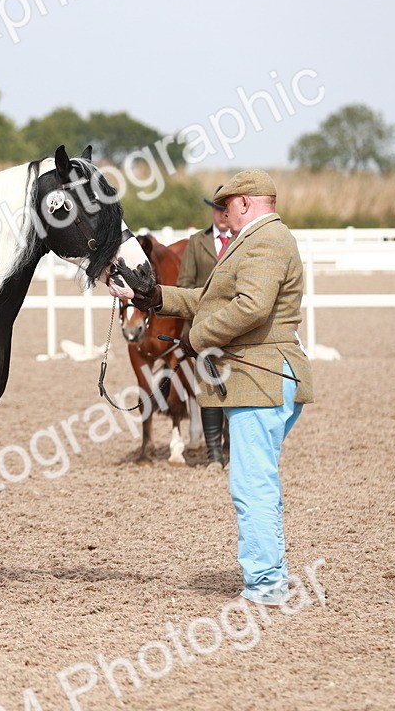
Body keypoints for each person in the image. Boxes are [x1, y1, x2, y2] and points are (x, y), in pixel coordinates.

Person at [129, 170, 314, 605]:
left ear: (246, 203)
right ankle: (271, 575)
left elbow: (251, 307)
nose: (222, 214)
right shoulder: (255, 242)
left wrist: (196, 338)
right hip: (260, 379)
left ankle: (266, 585)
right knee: (257, 480)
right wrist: (156, 298)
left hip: (260, 379)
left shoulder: (267, 241)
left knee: (252, 485)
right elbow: (210, 299)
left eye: (227, 206)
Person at [176, 187, 232, 468]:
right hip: (204, 329)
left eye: (227, 210)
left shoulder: (243, 241)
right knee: (210, 390)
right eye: (217, 209)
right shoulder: (197, 242)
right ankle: (214, 455)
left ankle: (231, 449)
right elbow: (185, 284)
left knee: (235, 388)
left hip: (236, 327)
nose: (222, 215)